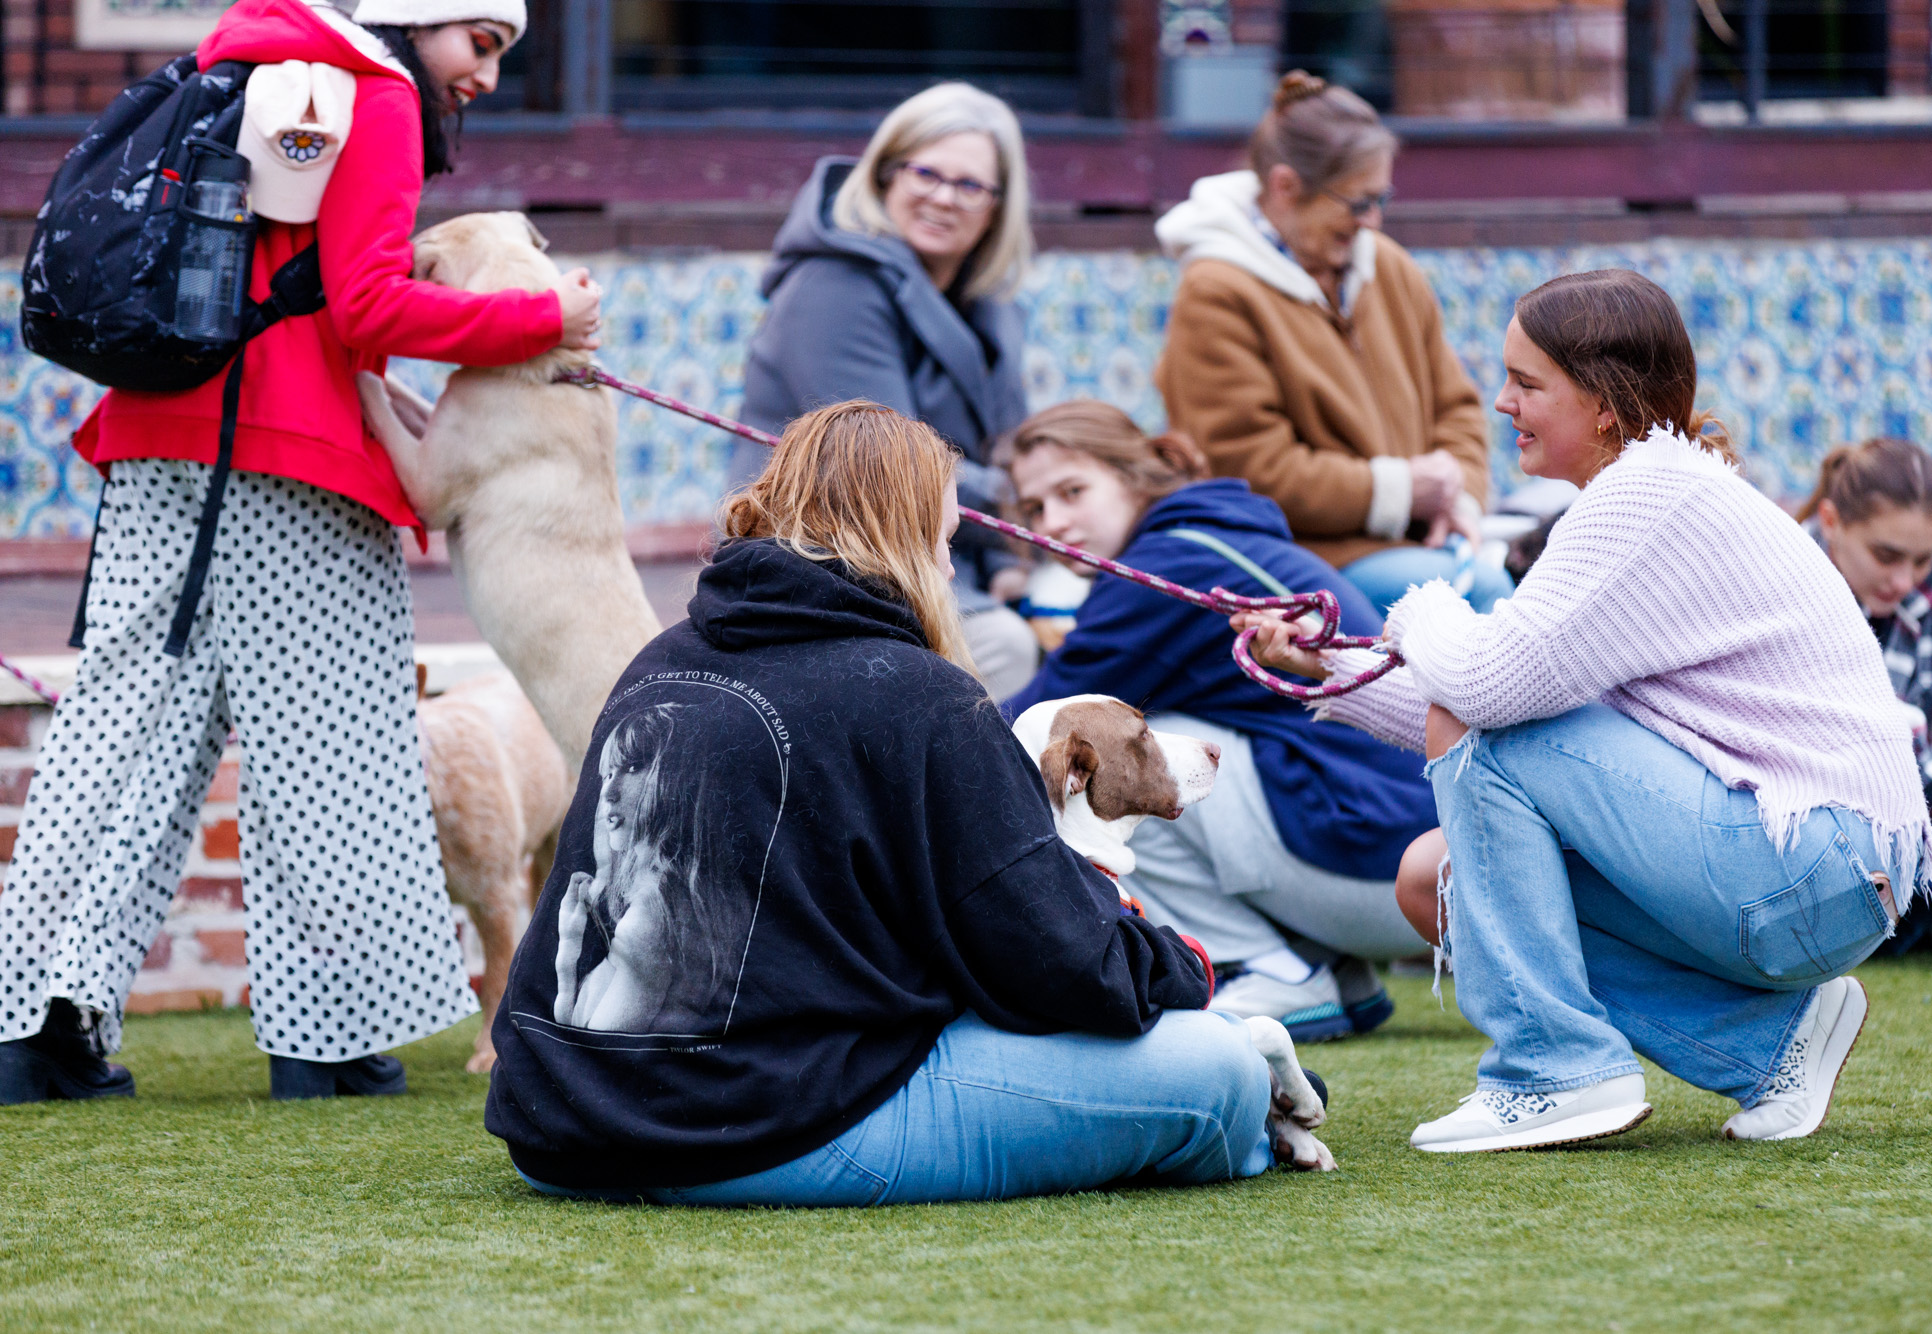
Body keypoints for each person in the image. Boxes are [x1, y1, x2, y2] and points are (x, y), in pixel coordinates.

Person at [0, 0, 603, 1105]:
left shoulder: (232, 65)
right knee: (331, 742)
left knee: (121, 735)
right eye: (481, 40)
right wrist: (536, 322)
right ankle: (327, 1042)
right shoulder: (370, 92)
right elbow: (366, 305)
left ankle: (34, 1027)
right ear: (419, 22)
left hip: (155, 435)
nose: (487, 73)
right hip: (288, 459)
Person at [487, 401, 1288, 1206]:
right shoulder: (924, 697)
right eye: (942, 542)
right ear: (900, 541)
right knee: (1219, 1069)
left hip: (559, 1134)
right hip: (752, 1133)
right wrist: (1180, 963)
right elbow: (1068, 968)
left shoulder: (660, 658)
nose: (947, 571)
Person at [1237, 269, 1932, 1151]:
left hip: (1811, 863)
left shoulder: (1643, 496)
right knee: (1434, 883)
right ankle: (1774, 1042)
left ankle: (1555, 1071)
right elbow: (1481, 700)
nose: (1500, 402)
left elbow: (1484, 696)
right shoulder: (1649, 490)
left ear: (1605, 403)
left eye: (1526, 383)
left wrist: (1420, 614)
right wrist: (1323, 663)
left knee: (1486, 734)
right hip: (1819, 874)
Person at [996, 401, 1434, 1040]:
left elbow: (1029, 732)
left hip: (1394, 870)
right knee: (1159, 743)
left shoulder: (1164, 566)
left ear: (1136, 475)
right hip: (1405, 853)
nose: (1055, 522)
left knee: (1127, 764)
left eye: (1073, 491)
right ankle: (1334, 976)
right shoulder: (1199, 540)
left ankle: (1265, 969)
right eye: (1036, 510)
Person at [1153, 71, 1511, 618]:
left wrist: (1456, 501)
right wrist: (1401, 491)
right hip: (1303, 560)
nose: (1373, 219)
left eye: (1381, 198)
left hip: (1423, 544)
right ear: (1285, 186)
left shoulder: (1388, 264)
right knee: (1483, 596)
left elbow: (1457, 407)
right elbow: (1248, 469)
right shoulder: (1215, 291)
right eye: (1358, 202)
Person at [741, 82, 1040, 697]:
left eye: (969, 185)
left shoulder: (992, 304)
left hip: (948, 560)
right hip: (829, 575)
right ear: (884, 175)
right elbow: (886, 476)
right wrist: (1043, 503)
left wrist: (1016, 559)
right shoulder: (835, 286)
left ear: (997, 206)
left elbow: (1017, 447)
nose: (942, 197)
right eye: (925, 172)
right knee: (1007, 650)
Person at [1800, 437, 1932, 954]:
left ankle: (1906, 921)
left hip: (1914, 830)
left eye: (1922, 559)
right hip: (1812, 841)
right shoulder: (1790, 583)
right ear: (1831, 520)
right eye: (1886, 556)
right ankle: (1901, 923)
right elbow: (1859, 734)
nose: (1904, 581)